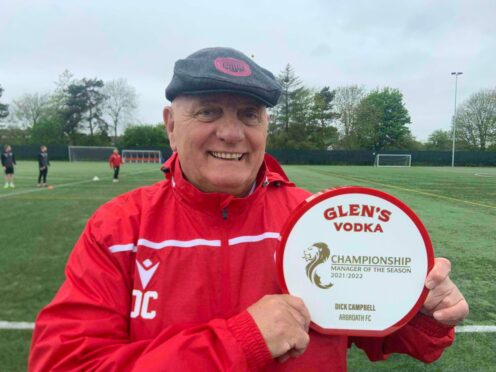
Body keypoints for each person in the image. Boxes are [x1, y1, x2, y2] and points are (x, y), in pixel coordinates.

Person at [29, 47, 468, 371]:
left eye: (249, 115)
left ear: (266, 127)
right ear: (170, 125)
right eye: (208, 112)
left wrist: (424, 311)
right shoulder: (120, 228)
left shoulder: (314, 220)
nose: (231, 133)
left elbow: (383, 329)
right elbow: (62, 364)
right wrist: (242, 341)